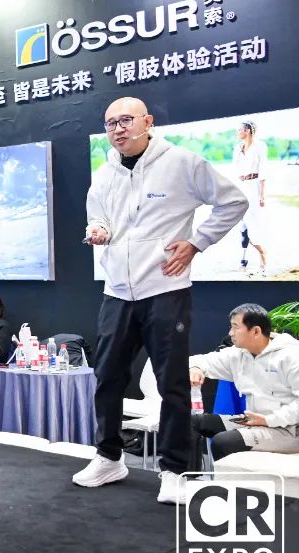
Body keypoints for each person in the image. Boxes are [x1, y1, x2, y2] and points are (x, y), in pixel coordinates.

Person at [75, 97, 247, 504]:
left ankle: (174, 470)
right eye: (110, 123)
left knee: (172, 384)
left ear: (147, 121)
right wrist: (99, 231)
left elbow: (234, 201)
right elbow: (99, 217)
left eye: (126, 120)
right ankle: (108, 457)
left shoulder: (181, 163)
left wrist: (197, 242)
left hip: (165, 290)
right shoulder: (105, 174)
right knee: (107, 378)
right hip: (117, 291)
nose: (118, 129)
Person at [188, 303, 299, 470]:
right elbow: (200, 360)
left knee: (223, 442)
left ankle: (231, 485)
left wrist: (269, 420)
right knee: (191, 422)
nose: (230, 333)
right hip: (254, 421)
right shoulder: (239, 354)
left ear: (256, 331)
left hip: (289, 430)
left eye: (235, 327)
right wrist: (196, 368)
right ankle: (186, 480)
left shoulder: (291, 356)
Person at [234, 120, 268, 275]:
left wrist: (262, 195)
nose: (237, 133)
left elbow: (263, 171)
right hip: (240, 186)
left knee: (252, 224)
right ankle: (243, 260)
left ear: (247, 131)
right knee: (242, 225)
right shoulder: (237, 148)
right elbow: (234, 170)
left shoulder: (260, 146)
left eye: (239, 130)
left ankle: (263, 254)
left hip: (253, 187)